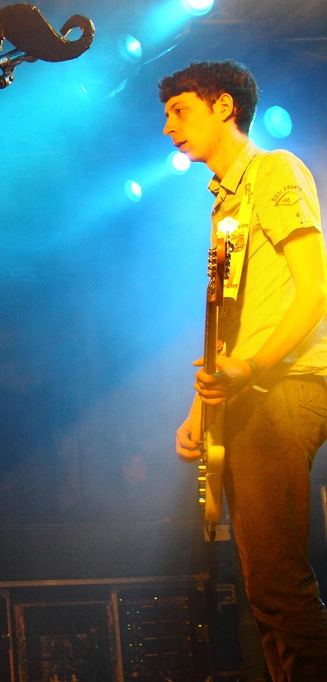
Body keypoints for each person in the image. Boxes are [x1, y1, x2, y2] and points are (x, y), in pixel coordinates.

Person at [161, 60, 327, 680]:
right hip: (251, 392)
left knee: (279, 584)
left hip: (286, 386)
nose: (168, 127)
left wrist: (251, 366)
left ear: (224, 106)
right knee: (261, 589)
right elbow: (230, 326)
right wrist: (199, 410)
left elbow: (315, 290)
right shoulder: (223, 204)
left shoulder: (274, 172)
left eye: (180, 110)